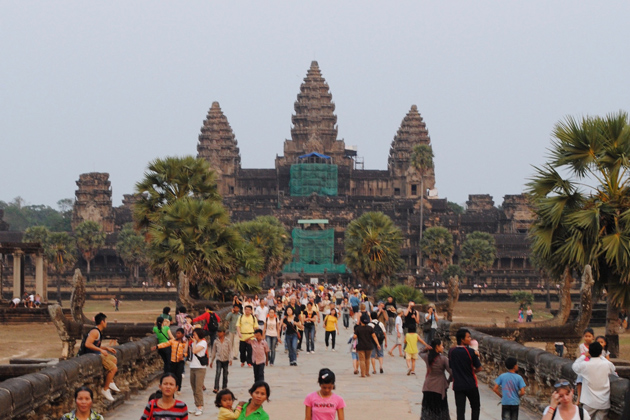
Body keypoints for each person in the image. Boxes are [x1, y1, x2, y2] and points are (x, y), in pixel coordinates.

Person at [78, 312, 120, 402]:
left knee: (114, 359)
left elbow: (95, 345)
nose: (106, 323)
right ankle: (105, 389)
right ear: (102, 322)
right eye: (106, 321)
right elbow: (88, 344)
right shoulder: (95, 332)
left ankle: (110, 381)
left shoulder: (98, 332)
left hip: (96, 353)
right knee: (113, 368)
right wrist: (101, 350)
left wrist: (106, 348)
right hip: (92, 355)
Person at [572, 341, 616, 420]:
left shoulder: (585, 365)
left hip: (589, 402)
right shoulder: (607, 364)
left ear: (589, 352)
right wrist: (601, 356)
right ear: (600, 352)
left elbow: (574, 366)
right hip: (604, 402)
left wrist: (583, 356)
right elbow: (613, 368)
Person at [448, 328, 482, 420]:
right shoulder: (471, 352)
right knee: (475, 407)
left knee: (460, 410)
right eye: (468, 337)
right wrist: (472, 371)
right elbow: (479, 368)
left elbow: (451, 366)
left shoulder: (451, 351)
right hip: (471, 384)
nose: (470, 339)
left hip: (458, 385)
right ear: (462, 339)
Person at [420, 339, 451, 420]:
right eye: (441, 345)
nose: (443, 347)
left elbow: (420, 353)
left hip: (428, 386)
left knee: (428, 410)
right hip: (439, 388)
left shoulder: (427, 357)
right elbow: (452, 372)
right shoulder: (443, 359)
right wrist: (448, 381)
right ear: (437, 347)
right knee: (440, 411)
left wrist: (426, 348)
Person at [156, 327, 189, 393]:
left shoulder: (184, 343)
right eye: (176, 333)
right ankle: (173, 387)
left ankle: (178, 388)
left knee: (179, 375)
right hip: (173, 361)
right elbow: (165, 344)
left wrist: (183, 355)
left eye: (179, 333)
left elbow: (186, 353)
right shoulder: (173, 341)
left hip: (180, 361)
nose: (177, 335)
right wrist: (157, 346)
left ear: (182, 335)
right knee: (172, 375)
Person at [353, 314, 380, 378]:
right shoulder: (370, 328)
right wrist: (378, 344)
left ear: (361, 321)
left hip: (361, 346)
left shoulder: (358, 328)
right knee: (367, 359)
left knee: (362, 360)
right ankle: (367, 372)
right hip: (369, 346)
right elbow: (374, 336)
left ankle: (363, 374)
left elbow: (355, 336)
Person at [188, 328, 208, 416]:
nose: (193, 336)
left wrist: (194, 342)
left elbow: (194, 351)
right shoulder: (193, 343)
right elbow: (186, 351)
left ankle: (200, 407)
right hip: (192, 367)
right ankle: (196, 405)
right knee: (193, 387)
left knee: (198, 388)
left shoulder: (203, 343)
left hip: (200, 368)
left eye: (195, 334)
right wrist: (187, 342)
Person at [210, 327, 233, 393]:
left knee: (225, 374)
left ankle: (224, 387)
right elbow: (214, 351)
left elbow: (230, 350)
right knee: (218, 372)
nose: (218, 333)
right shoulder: (216, 341)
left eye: (220, 332)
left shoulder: (228, 341)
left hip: (226, 359)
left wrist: (231, 359)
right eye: (218, 332)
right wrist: (212, 361)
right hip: (219, 359)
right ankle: (216, 387)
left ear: (224, 333)